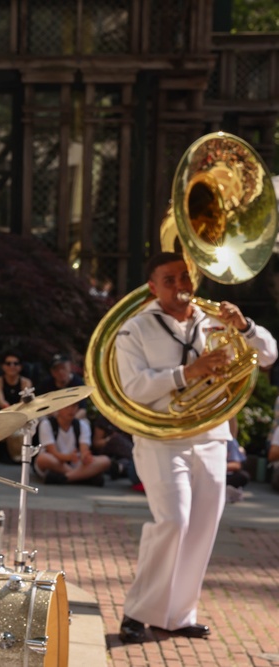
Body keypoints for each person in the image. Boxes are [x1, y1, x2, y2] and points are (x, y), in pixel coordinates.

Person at [115, 251, 277, 644]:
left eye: (185, 277)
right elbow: (133, 387)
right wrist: (187, 373)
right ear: (152, 287)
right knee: (174, 521)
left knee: (203, 528)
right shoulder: (133, 329)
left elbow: (269, 355)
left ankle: (178, 614)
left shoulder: (216, 321)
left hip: (211, 437)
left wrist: (246, 326)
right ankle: (138, 612)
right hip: (161, 439)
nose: (180, 286)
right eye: (168, 279)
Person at [33, 404, 110, 485]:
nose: (71, 410)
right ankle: (83, 477)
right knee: (43, 458)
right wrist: (68, 457)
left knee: (105, 460)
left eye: (74, 407)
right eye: (67, 407)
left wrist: (85, 457)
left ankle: (66, 478)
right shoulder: (47, 424)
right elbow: (52, 451)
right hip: (57, 461)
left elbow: (84, 450)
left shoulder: (83, 425)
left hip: (76, 462)